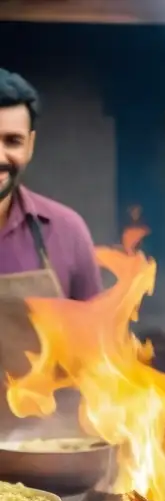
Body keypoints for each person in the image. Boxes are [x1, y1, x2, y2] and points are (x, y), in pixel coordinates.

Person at [0, 69, 103, 428]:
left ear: (30, 144)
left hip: (45, 452)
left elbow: (98, 354)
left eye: (11, 141)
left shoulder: (65, 229)